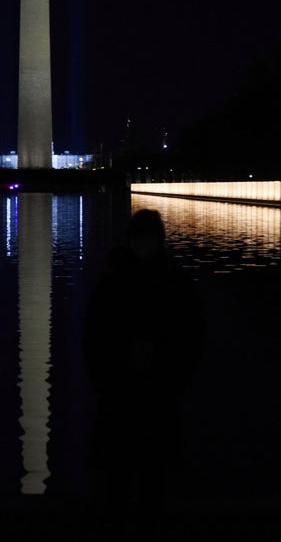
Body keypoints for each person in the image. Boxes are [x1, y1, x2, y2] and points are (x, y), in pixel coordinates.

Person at [83, 208, 206, 516]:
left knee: (150, 477)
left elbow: (191, 336)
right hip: (123, 390)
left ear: (159, 241)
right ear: (130, 240)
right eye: (139, 237)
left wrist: (172, 376)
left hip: (156, 390)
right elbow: (93, 336)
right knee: (121, 476)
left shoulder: (168, 284)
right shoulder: (118, 284)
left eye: (148, 238)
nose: (143, 244)